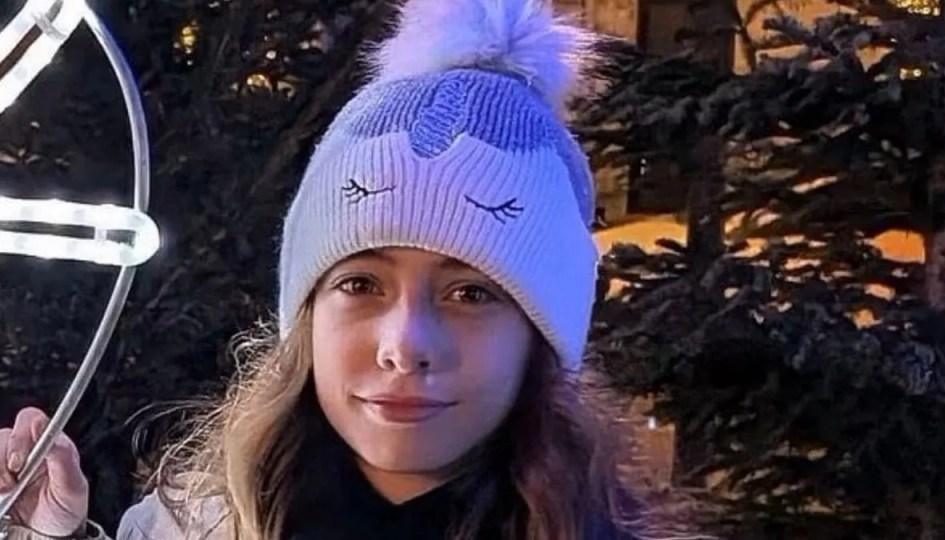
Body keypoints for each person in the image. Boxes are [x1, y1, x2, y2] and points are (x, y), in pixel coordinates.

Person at [0, 0, 673, 538]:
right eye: (360, 283)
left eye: (471, 292)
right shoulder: (193, 526)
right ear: (308, 311)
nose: (405, 345)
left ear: (541, 333)